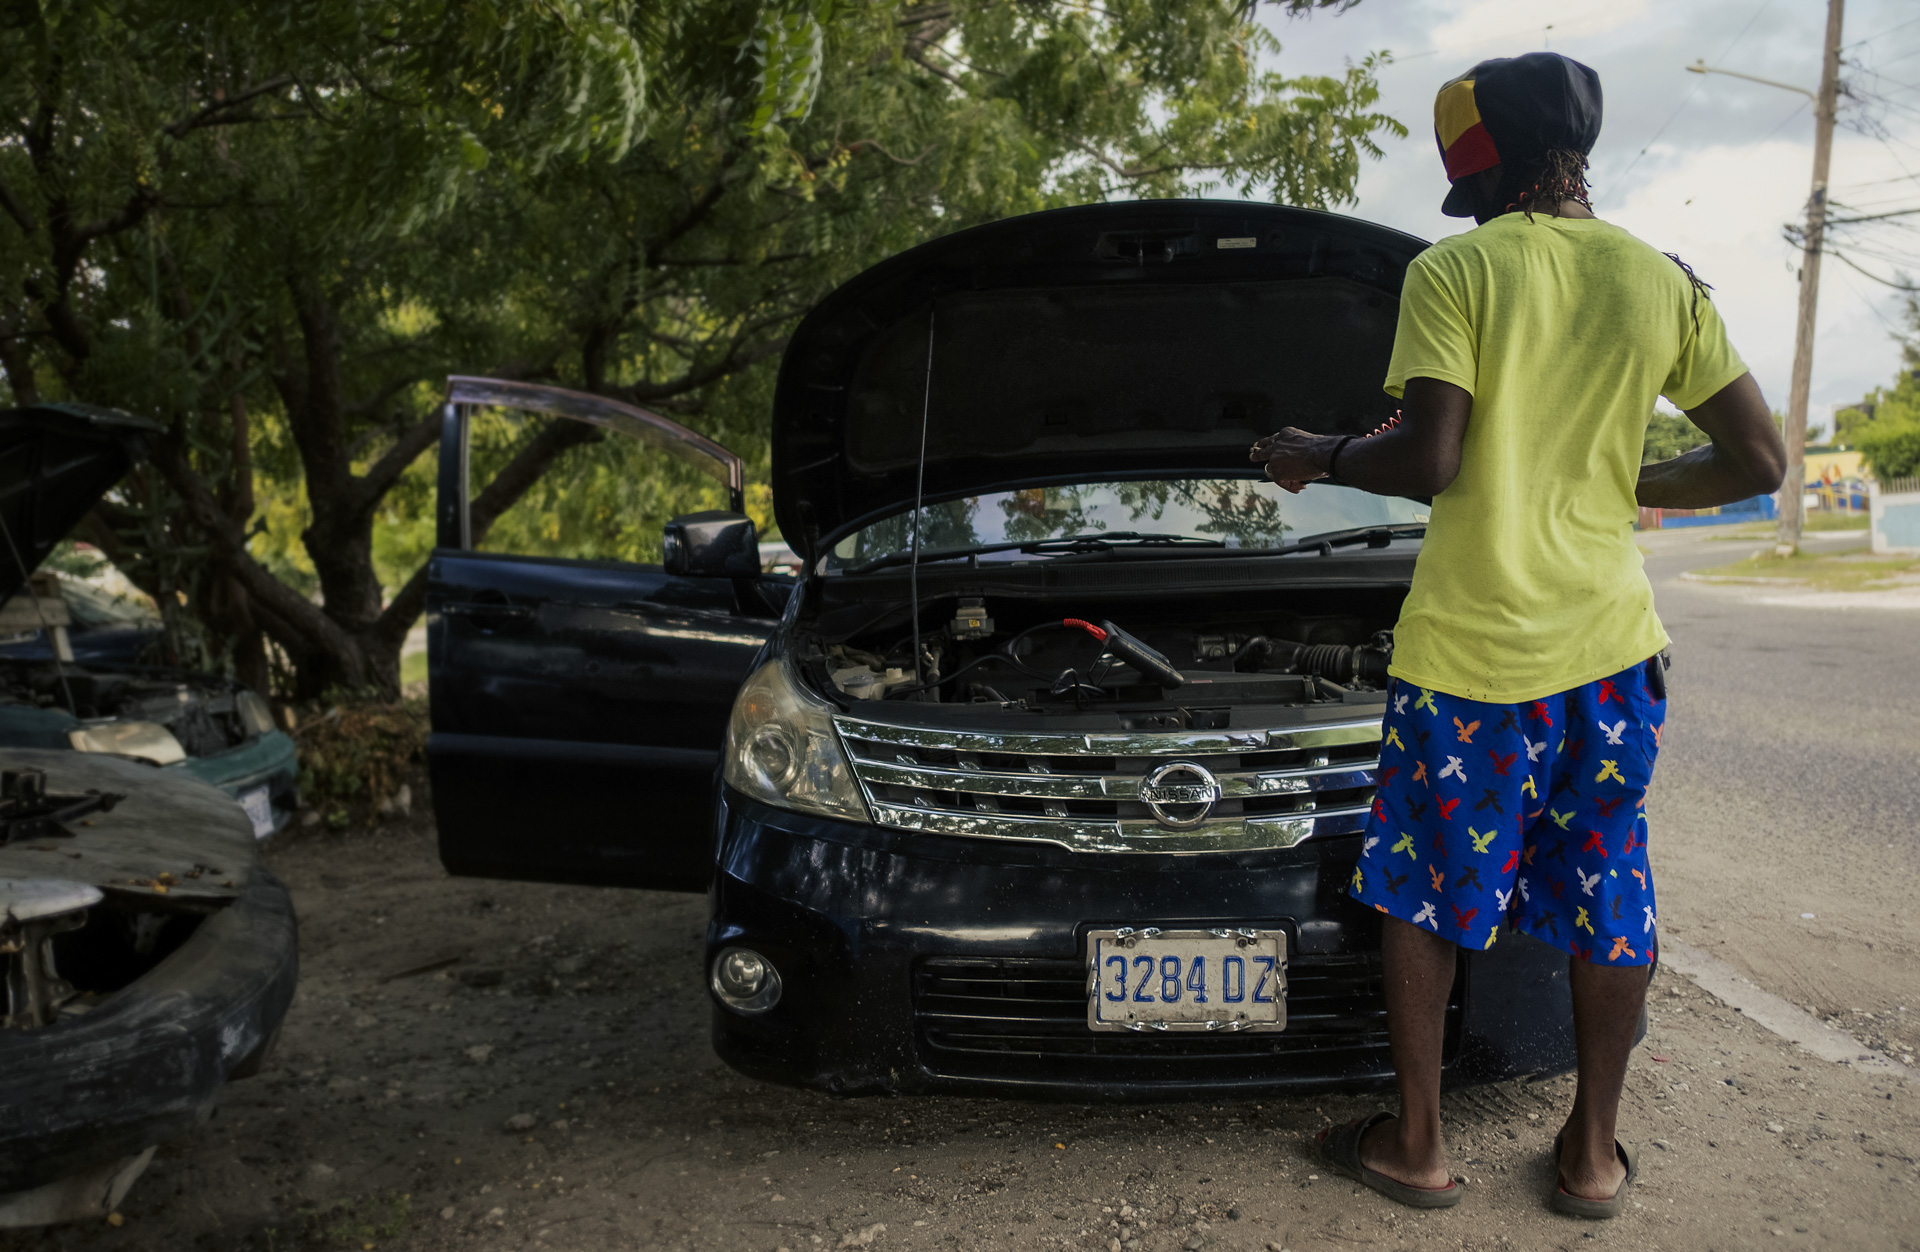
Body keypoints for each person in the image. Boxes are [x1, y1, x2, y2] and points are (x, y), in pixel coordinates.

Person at [1251, 51, 1786, 1220]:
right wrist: (1619, 476)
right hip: (1611, 655)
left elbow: (1429, 458)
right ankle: (1592, 1156)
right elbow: (1760, 462)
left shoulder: (1459, 271)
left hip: (1472, 661)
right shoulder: (1661, 281)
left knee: (1428, 888)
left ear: (1482, 164)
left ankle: (1418, 1146)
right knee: (1608, 886)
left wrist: (1320, 455)